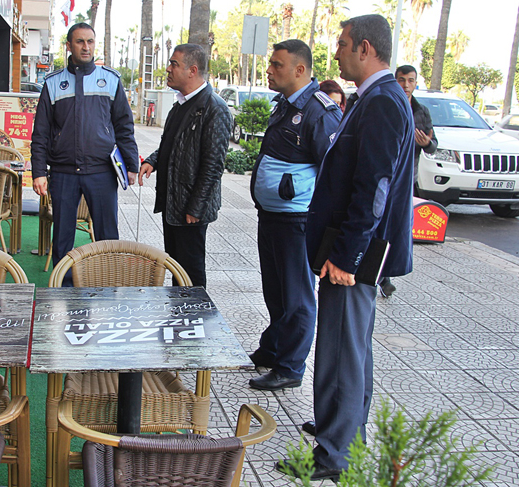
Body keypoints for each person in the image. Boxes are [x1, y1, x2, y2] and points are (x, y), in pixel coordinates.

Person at [279, 15, 414, 481]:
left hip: (353, 255)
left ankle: (334, 454)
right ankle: (345, 432)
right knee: (351, 349)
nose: (335, 53)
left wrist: (346, 256)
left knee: (340, 352)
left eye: (341, 44)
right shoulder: (373, 97)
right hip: (351, 250)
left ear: (365, 48)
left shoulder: (383, 101)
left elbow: (374, 188)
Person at [247, 40, 342, 392]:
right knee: (275, 291)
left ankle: (290, 366)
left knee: (297, 296)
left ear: (300, 70)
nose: (269, 70)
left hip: (297, 221)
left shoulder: (319, 111)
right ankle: (274, 348)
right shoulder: (285, 105)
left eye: (277, 65)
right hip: (272, 216)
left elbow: (335, 172)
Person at [31, 23, 139, 272]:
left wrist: (131, 164)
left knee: (107, 236)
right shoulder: (53, 83)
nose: (86, 47)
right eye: (80, 41)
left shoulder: (110, 80)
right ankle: (63, 286)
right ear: (69, 46)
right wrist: (38, 172)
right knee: (62, 238)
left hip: (101, 172)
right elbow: (41, 132)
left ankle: (107, 284)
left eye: (90, 41)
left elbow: (124, 126)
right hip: (63, 173)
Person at [138, 44, 232, 287]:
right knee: (177, 267)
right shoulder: (180, 103)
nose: (168, 69)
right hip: (173, 202)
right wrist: (153, 161)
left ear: (192, 70)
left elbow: (213, 165)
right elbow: (172, 145)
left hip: (190, 208)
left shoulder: (214, 108)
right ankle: (178, 309)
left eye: (174, 64)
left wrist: (196, 208)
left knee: (191, 272)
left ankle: (194, 310)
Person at [377, 64, 439, 297]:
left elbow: (433, 144)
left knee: (399, 228)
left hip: (406, 179)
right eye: (401, 80)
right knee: (379, 225)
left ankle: (387, 274)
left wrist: (426, 144)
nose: (405, 85)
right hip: (384, 176)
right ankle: (380, 275)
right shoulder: (387, 103)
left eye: (410, 80)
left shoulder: (421, 111)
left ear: (415, 83)